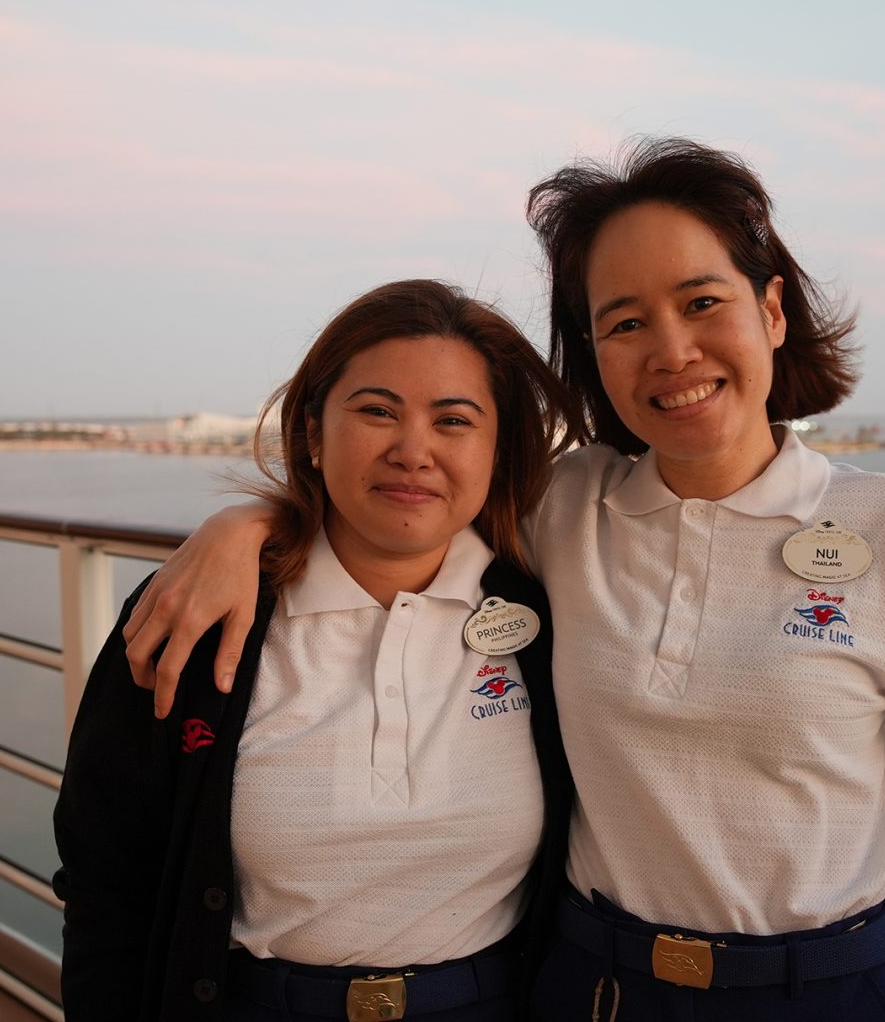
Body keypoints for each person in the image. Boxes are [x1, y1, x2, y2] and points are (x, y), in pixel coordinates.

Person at [124, 140, 885, 1020]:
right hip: (595, 984)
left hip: (820, 991)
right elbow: (400, 500)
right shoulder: (564, 506)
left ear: (772, 311)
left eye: (702, 302)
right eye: (624, 322)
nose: (670, 351)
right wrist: (242, 525)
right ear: (590, 352)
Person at [53, 280, 585, 1020]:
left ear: (498, 449)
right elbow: (104, 874)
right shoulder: (196, 616)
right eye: (376, 412)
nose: (412, 452)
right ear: (312, 432)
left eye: (453, 420)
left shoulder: (548, 608)